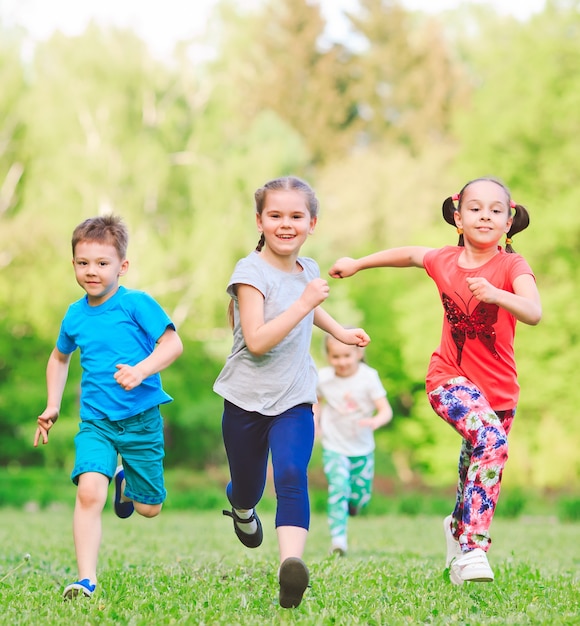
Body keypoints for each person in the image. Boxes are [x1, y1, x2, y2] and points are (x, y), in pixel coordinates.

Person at [329, 177, 541, 585]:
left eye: (496, 210)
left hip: (500, 392)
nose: (485, 216)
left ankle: (459, 532)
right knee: (493, 443)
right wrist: (357, 263)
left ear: (509, 221)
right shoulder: (444, 260)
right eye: (475, 208)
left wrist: (498, 295)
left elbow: (533, 311)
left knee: (474, 471)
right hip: (449, 378)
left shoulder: (512, 266)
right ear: (458, 217)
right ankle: (475, 549)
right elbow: (409, 254)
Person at [213, 176, 370, 608]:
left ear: (312, 223)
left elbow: (311, 311)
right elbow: (259, 338)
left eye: (296, 216)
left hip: (296, 397)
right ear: (260, 221)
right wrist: (304, 302)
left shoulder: (310, 270)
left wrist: (341, 331)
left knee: (290, 474)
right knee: (248, 486)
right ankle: (241, 506)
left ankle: (290, 566)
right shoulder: (249, 273)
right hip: (245, 399)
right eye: (276, 215)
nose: (286, 224)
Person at [33, 215, 183, 599]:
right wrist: (52, 404)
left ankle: (127, 484)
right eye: (83, 263)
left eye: (102, 263)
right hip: (96, 422)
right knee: (87, 494)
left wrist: (141, 370)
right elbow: (59, 358)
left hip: (141, 419)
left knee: (150, 508)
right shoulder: (75, 315)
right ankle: (86, 580)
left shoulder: (136, 304)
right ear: (73, 265)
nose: (92, 271)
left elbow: (172, 345)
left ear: (123, 266)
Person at [313, 333, 393, 556]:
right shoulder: (324, 377)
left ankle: (354, 505)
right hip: (334, 445)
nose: (342, 361)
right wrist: (315, 423)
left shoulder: (368, 377)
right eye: (336, 356)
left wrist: (376, 420)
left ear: (358, 353)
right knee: (338, 488)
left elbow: (386, 410)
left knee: (360, 495)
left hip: (362, 447)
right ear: (328, 356)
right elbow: (316, 401)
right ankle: (339, 540)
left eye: (347, 355)